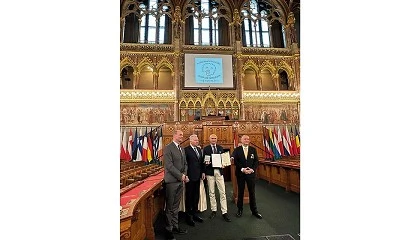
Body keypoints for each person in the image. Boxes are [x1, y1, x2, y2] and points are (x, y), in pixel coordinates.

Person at [163, 130, 189, 240]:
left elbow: (185, 164)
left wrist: (184, 175)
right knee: (170, 206)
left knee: (176, 206)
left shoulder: (182, 148)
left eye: (182, 135)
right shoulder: (168, 148)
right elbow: (169, 166)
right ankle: (168, 230)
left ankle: (175, 226)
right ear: (174, 136)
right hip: (171, 182)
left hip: (180, 181)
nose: (182, 136)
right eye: (180, 135)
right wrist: (181, 176)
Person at [202, 134, 231, 222]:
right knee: (211, 192)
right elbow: (204, 160)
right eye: (212, 138)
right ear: (209, 139)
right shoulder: (206, 149)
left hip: (219, 172)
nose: (214, 140)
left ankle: (224, 212)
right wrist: (206, 163)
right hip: (210, 172)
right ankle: (214, 210)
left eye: (215, 138)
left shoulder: (220, 148)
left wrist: (224, 164)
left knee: (222, 192)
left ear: (216, 139)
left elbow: (224, 160)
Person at [232, 135, 263, 219]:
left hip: (251, 174)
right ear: (241, 140)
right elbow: (235, 161)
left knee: (252, 192)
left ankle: (254, 211)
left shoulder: (253, 150)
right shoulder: (237, 150)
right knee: (240, 192)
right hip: (241, 174)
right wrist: (243, 169)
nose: (246, 140)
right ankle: (239, 210)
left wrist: (252, 169)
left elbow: (256, 161)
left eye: (248, 139)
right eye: (245, 139)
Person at [183, 134, 205, 227]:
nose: (197, 141)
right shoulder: (186, 150)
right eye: (195, 140)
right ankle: (188, 216)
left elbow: (201, 162)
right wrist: (185, 175)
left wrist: (203, 172)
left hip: (198, 176)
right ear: (191, 141)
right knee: (189, 197)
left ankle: (195, 214)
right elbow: (184, 164)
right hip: (190, 177)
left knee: (196, 196)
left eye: (197, 140)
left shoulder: (199, 150)